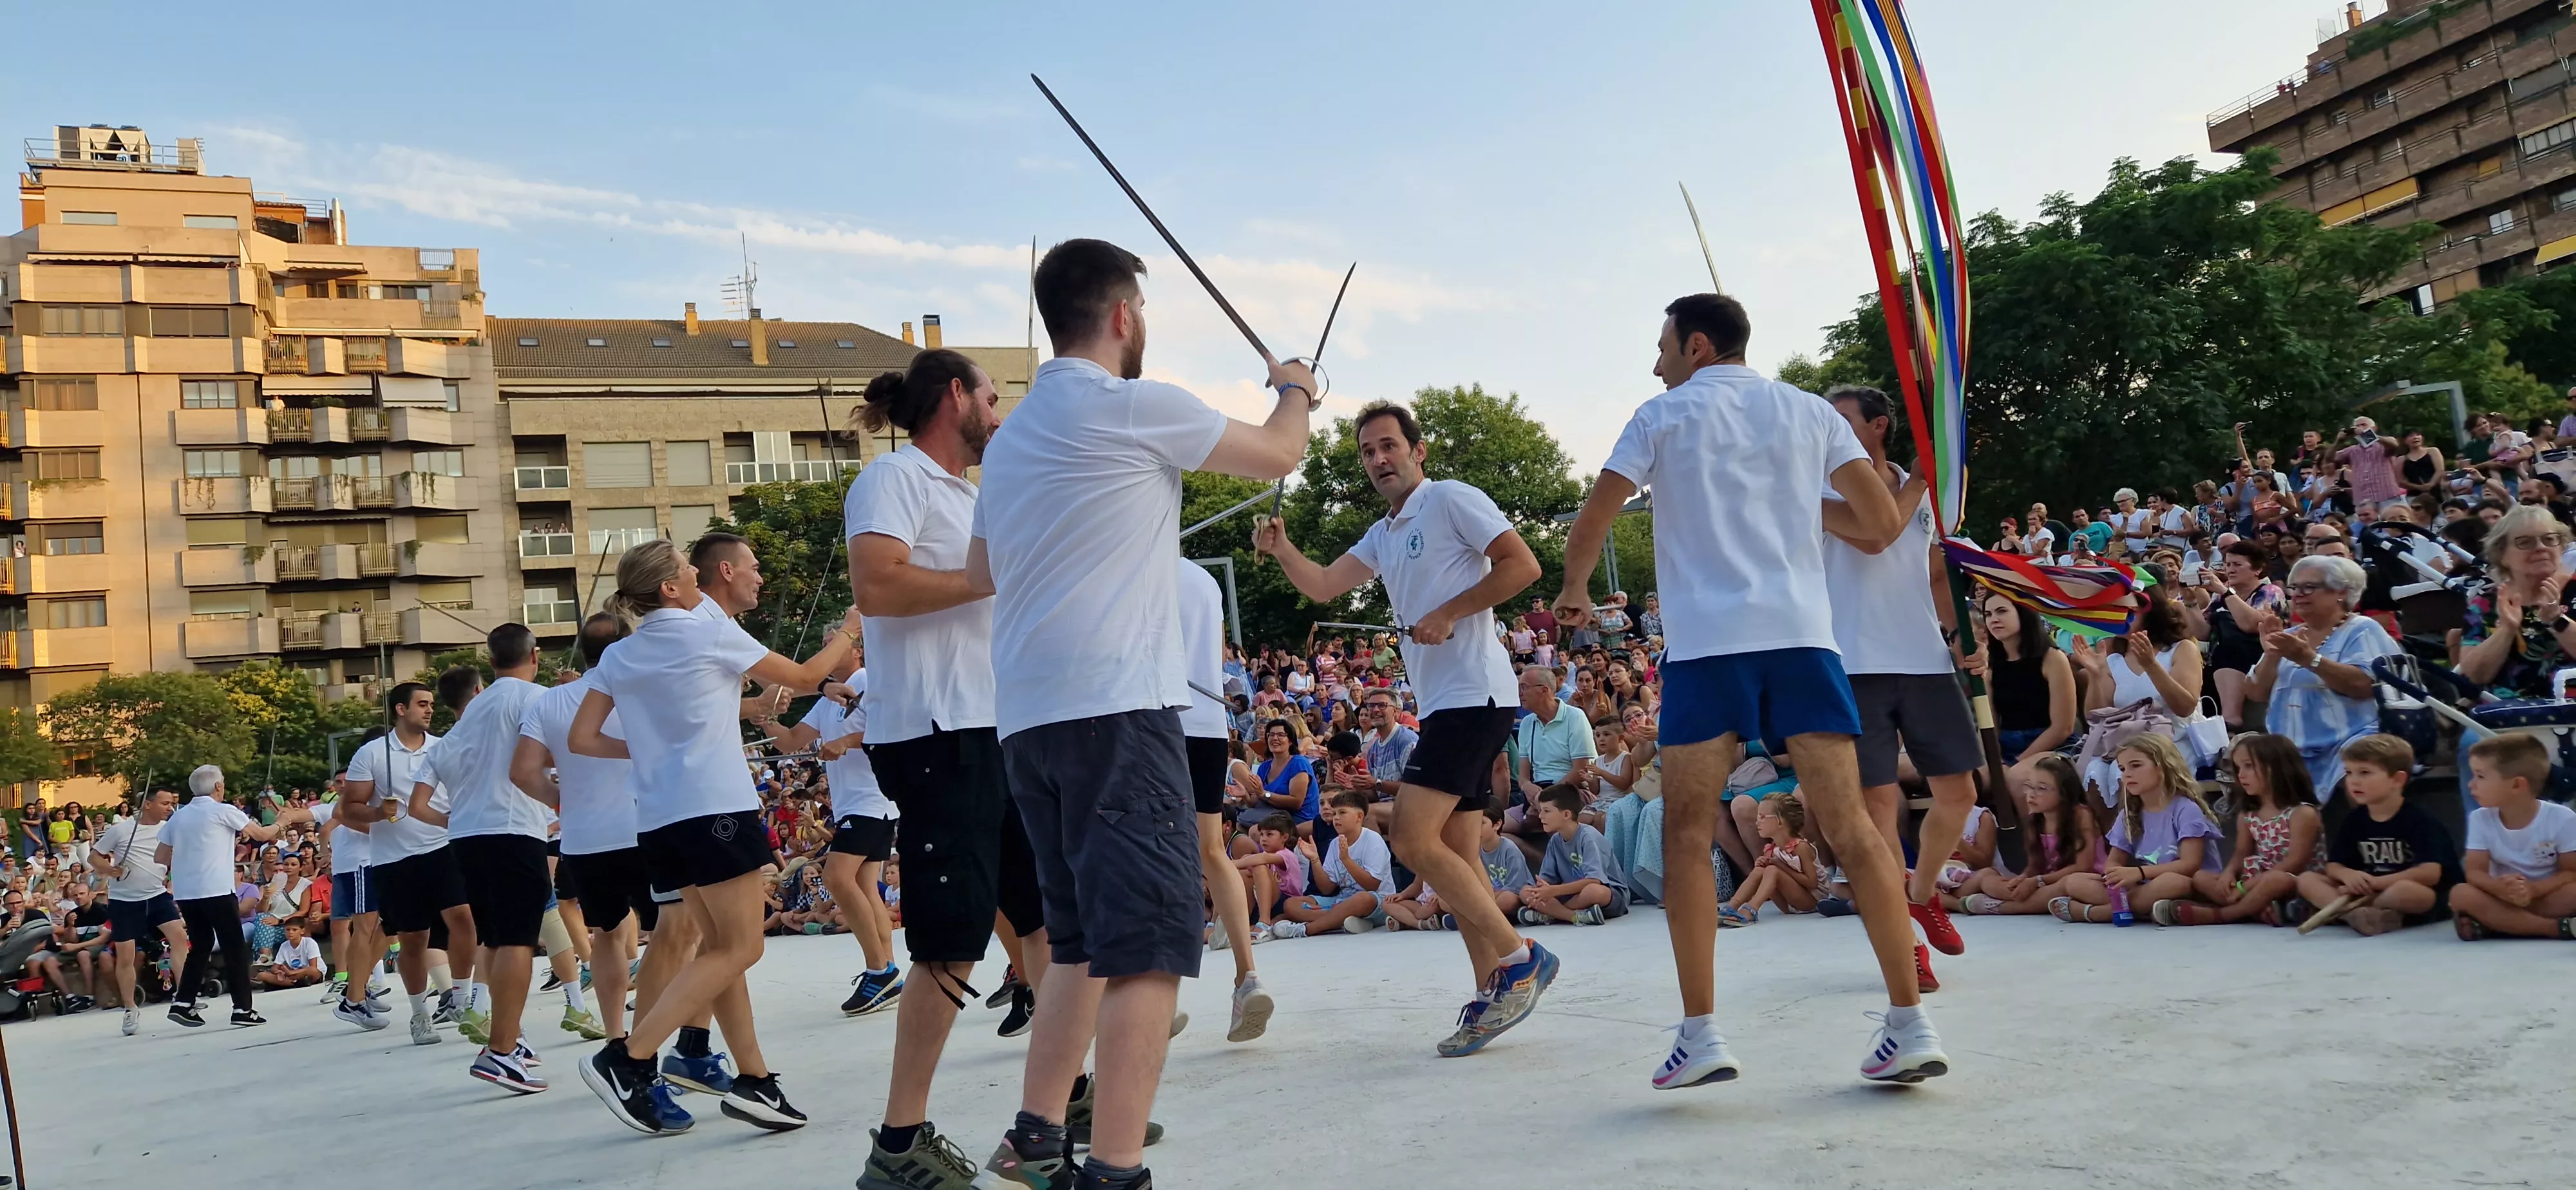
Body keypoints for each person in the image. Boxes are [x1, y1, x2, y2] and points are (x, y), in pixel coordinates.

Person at [969, 238, 1314, 1190]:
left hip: (1028, 722)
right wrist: (1295, 386)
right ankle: (1114, 1170)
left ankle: (1038, 1133)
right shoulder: (1130, 406)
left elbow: (984, 572)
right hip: (1117, 711)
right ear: (1123, 315)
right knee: (1152, 948)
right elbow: (1280, 450)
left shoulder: (1011, 444)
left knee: (1081, 944)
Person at [1555, 291, 1939, 1090]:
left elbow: (1593, 518)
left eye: (1663, 346)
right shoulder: (1810, 412)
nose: (1655, 363)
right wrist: (1818, 492)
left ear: (1696, 346)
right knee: (1853, 828)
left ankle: (1700, 1035)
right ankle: (1910, 1023)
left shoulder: (1660, 415)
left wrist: (1575, 590)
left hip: (1709, 648)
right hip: (1802, 641)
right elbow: (1878, 528)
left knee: (1683, 836)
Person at [1254, 395, 1553, 1046]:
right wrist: (1283, 549)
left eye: (1389, 445)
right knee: (1459, 857)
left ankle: (1520, 958)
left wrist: (1450, 611)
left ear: (1418, 451)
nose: (1378, 459)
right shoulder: (1383, 533)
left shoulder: (1450, 498)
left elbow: (1523, 565)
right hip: (1447, 704)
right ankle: (1493, 992)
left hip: (1474, 696)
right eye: (1367, 451)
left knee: (1415, 842)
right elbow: (1323, 585)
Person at [839, 349, 1059, 1190]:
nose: (999, 414)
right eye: (993, 398)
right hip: (937, 735)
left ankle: (1061, 1102)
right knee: (952, 938)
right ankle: (899, 1142)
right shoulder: (894, 479)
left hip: (992, 731)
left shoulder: (973, 496)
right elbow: (877, 586)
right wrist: (988, 575)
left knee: (1043, 920)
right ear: (956, 396)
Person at [572, 538, 861, 1135]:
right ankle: (629, 1058)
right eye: (686, 570)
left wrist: (650, 750)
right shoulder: (706, 634)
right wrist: (850, 630)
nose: (695, 577)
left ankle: (754, 1079)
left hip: (659, 817)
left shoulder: (620, 655)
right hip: (714, 808)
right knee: (741, 947)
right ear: (670, 588)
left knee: (719, 949)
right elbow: (808, 676)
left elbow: (583, 738)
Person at [1817, 383, 1982, 984]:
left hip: (1925, 661)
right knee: (1877, 810)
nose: (1828, 429)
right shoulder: (1816, 492)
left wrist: (1962, 634)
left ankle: (1921, 891)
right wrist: (1921, 481)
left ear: (1878, 425)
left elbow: (1937, 572)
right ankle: (1905, 942)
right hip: (1851, 664)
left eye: (1840, 419)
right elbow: (1875, 535)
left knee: (1960, 793)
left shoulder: (1927, 490)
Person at [513, 614, 691, 1128]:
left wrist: (563, 799)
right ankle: (650, 1051)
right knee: (677, 937)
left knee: (608, 936)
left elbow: (523, 771)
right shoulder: (639, 691)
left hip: (585, 837)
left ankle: (617, 1036)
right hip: (645, 827)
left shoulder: (549, 701)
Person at [408, 625, 553, 1091]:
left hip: (466, 839)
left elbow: (419, 802)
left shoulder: (464, 721)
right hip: (513, 831)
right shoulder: (536, 698)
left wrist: (453, 820)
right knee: (517, 942)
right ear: (535, 656)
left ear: (490, 664)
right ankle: (502, 1051)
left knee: (494, 939)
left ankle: (509, 1035)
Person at [343, 681, 477, 1046]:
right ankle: (420, 1013)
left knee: (464, 918)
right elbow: (348, 809)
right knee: (413, 939)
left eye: (432, 703)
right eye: (422, 704)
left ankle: (461, 998)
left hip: (443, 847)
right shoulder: (372, 753)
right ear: (401, 710)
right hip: (395, 858)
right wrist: (377, 812)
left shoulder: (443, 746)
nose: (430, 709)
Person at [1171, 555, 1271, 1044]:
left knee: (1153, 853)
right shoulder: (1202, 579)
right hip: (1206, 725)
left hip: (1154, 721)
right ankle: (1247, 976)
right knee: (1212, 850)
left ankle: (1154, 993)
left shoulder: (1127, 563)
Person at [156, 766, 312, 1027]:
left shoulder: (178, 817)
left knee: (201, 944)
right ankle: (242, 1008)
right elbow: (262, 835)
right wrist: (281, 822)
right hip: (216, 889)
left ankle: (183, 1002)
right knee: (235, 948)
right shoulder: (223, 810)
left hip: (186, 893)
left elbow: (160, 857)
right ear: (218, 787)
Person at [2246, 555, 2401, 798]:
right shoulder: (2290, 635)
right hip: (2289, 756)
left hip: (2348, 749)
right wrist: (2273, 655)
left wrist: (2309, 659)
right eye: (2294, 587)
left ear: (2342, 592)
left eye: (2309, 587)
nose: (2298, 594)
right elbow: (2255, 693)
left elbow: (2364, 685)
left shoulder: (2363, 629)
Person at [2295, 735, 2459, 935]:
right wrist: (2348, 875)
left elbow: (2430, 874)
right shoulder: (2354, 820)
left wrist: (2375, 884)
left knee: (2405, 891)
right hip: (2366, 891)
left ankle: (2344, 912)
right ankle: (2356, 916)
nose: (2354, 781)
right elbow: (2335, 865)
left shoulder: (2420, 820)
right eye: (2349, 773)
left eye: (2365, 773)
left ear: (2397, 780)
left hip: (2410, 893)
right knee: (2307, 879)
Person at [2051, 734, 2222, 923]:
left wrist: (2138, 873)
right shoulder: (2130, 813)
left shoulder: (2186, 809)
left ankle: (2097, 913)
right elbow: (2113, 862)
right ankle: (2148, 907)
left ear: (2163, 766)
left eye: (2136, 765)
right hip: (2146, 885)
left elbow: (2190, 865)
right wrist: (2116, 875)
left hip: (2189, 884)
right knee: (2075, 882)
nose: (2127, 774)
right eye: (2122, 769)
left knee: (2173, 883)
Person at [2159, 734, 2322, 926]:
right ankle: (2258, 909)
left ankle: (2223, 915)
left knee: (2276, 881)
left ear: (2277, 768)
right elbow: (2240, 854)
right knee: (2201, 877)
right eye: (2238, 768)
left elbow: (2295, 863)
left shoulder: (2302, 813)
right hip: (2254, 880)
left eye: (2249, 766)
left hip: (2292, 882)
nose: (2241, 775)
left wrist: (2246, 887)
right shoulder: (2248, 814)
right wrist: (2228, 874)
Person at [2446, 733, 2576, 940]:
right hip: (2501, 897)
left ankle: (2498, 924)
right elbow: (2475, 872)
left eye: (2480, 776)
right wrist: (2500, 889)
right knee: (2461, 894)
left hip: (2546, 896)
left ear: (2517, 785)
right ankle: (2554, 928)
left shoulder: (2563, 818)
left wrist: (2533, 890)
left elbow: (2570, 872)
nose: (2471, 784)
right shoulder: (2480, 818)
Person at [92, 788, 187, 1037]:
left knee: (179, 937)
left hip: (157, 895)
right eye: (165, 803)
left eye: (171, 803)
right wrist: (110, 870)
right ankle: (130, 1008)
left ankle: (184, 995)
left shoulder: (169, 829)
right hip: (125, 901)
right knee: (126, 955)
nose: (169, 808)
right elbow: (94, 857)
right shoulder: (121, 830)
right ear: (147, 804)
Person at [2458, 505, 2575, 698]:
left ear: (2561, 547)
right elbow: (2474, 676)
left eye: (2549, 539)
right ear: (2502, 555)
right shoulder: (2486, 603)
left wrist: (2557, 619)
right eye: (2525, 542)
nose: (2541, 547)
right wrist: (2506, 630)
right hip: (2509, 712)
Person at [1958, 757, 2099, 916]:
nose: (2031, 795)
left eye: (2041, 788)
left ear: (2063, 793)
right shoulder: (2035, 819)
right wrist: (2024, 878)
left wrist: (2038, 881)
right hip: (2046, 882)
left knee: (2066, 886)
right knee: (1988, 881)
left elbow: (2083, 867)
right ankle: (2017, 901)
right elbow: (2035, 865)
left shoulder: (2081, 815)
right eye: (2029, 787)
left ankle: (2001, 908)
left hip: (2081, 880)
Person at [1958, 593, 2076, 764]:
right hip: (2006, 746)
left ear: (2023, 613)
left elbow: (2062, 728)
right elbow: (1989, 727)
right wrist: (1994, 763)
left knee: (2020, 776)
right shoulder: (1990, 665)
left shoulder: (2053, 658)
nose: (1994, 619)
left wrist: (2017, 762)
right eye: (1988, 614)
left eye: (2002, 611)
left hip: (2051, 748)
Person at [1272, 791, 1393, 938]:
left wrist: (1346, 860)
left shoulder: (1373, 840)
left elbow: (1372, 886)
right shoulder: (1335, 843)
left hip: (1378, 902)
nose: (1336, 818)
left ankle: (1308, 929)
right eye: (1335, 813)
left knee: (1363, 899)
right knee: (1291, 904)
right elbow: (1327, 888)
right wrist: (1315, 859)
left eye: (1342, 813)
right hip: (1342, 901)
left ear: (1359, 817)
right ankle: (1342, 919)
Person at [2199, 541, 2287, 731]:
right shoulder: (2221, 595)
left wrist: (2226, 593)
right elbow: (2202, 633)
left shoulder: (2270, 591)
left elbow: (2252, 625)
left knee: (2230, 643)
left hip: (2258, 655)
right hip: (2219, 658)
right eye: (2228, 564)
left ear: (2257, 569)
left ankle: (2232, 717)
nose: (2230, 570)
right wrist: (2189, 603)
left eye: (2237, 565)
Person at [1519, 784, 1628, 924]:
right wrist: (1541, 889)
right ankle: (1574, 916)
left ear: (1566, 815)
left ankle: (1554, 914)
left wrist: (1553, 891)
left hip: (1609, 895)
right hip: (1571, 895)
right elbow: (1548, 880)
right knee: (1526, 892)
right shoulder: (1555, 840)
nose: (1541, 816)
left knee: (1593, 891)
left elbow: (1594, 880)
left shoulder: (1588, 837)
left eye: (1547, 811)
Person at [1721, 792, 1817, 925]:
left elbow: (1812, 883)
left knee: (1772, 870)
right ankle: (1731, 907)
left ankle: (1751, 909)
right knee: (1760, 870)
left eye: (1762, 817)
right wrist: (1761, 865)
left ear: (1780, 821)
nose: (1757, 822)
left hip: (1809, 902)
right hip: (1787, 904)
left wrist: (1780, 866)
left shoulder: (1801, 847)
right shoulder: (1772, 848)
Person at [254, 918, 327, 988]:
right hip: (292, 975)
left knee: (313, 971)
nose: (290, 932)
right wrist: (279, 972)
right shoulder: (284, 946)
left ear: (302, 931)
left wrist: (292, 973)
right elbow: (274, 967)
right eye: (288, 930)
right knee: (262, 975)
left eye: (294, 930)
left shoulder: (309, 942)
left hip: (307, 973)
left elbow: (313, 967)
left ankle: (288, 983)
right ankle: (296, 983)